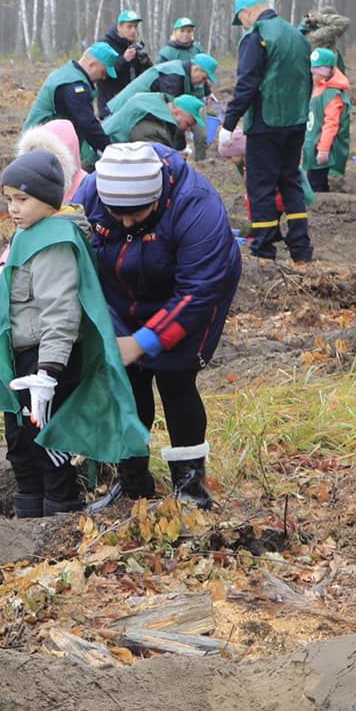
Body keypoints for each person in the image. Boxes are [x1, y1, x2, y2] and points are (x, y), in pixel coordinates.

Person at [75, 143, 242, 511]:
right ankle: (132, 483)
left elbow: (198, 290)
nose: (127, 222)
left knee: (175, 379)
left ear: (158, 196)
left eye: (137, 213)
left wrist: (145, 340)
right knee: (128, 380)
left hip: (186, 296)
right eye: (118, 214)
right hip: (121, 291)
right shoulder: (91, 193)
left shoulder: (196, 206)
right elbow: (71, 246)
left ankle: (190, 487)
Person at [0, 150, 149, 518]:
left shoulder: (54, 241)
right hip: (22, 355)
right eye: (9, 199)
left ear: (47, 199)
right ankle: (26, 518)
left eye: (22, 200)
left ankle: (61, 513)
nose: (13, 208)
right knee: (19, 442)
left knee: (46, 441)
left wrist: (48, 374)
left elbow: (60, 312)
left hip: (45, 359)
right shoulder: (27, 234)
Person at [219, 0, 314, 263]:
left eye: (242, 19)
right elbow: (306, 78)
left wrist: (229, 122)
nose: (244, 26)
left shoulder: (257, 36)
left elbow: (247, 82)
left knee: (261, 186)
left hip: (265, 122)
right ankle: (300, 247)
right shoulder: (296, 35)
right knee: (290, 181)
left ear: (247, 12)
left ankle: (263, 248)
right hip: (295, 121)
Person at [25, 43, 120, 169]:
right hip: (40, 149)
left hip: (48, 143)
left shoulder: (69, 72)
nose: (103, 77)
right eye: (103, 72)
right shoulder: (74, 85)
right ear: (92, 65)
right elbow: (87, 123)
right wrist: (111, 151)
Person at [105, 53, 218, 115]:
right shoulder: (175, 78)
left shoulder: (181, 70)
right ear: (197, 69)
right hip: (119, 109)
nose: (203, 83)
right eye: (204, 78)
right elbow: (169, 112)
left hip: (134, 107)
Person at [304, 48, 352, 192]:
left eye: (317, 73)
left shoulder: (332, 95)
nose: (314, 77)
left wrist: (323, 150)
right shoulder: (319, 87)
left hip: (322, 149)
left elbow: (331, 125)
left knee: (317, 184)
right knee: (310, 178)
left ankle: (321, 205)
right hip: (312, 145)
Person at [106, 90, 205, 151]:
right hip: (102, 155)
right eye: (188, 124)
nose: (188, 130)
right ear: (177, 111)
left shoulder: (157, 106)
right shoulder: (153, 124)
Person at [96, 9, 151, 116]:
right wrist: (124, 60)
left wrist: (145, 63)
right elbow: (103, 75)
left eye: (135, 27)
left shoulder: (134, 46)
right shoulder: (105, 46)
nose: (133, 31)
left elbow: (144, 77)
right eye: (129, 27)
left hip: (131, 105)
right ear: (119, 27)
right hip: (110, 106)